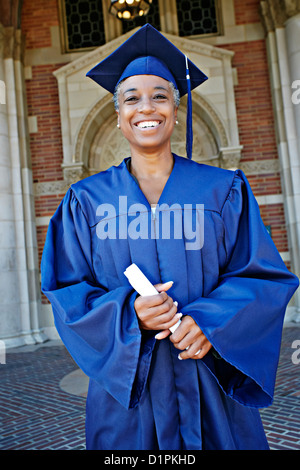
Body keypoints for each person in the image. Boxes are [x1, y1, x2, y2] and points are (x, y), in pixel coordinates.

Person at [41, 24, 299, 450]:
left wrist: (211, 323)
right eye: (132, 98)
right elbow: (66, 290)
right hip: (128, 398)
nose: (147, 107)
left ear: (176, 111)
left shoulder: (224, 190)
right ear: (118, 114)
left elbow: (263, 276)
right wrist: (130, 314)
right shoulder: (84, 201)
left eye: (160, 95)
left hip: (211, 383)